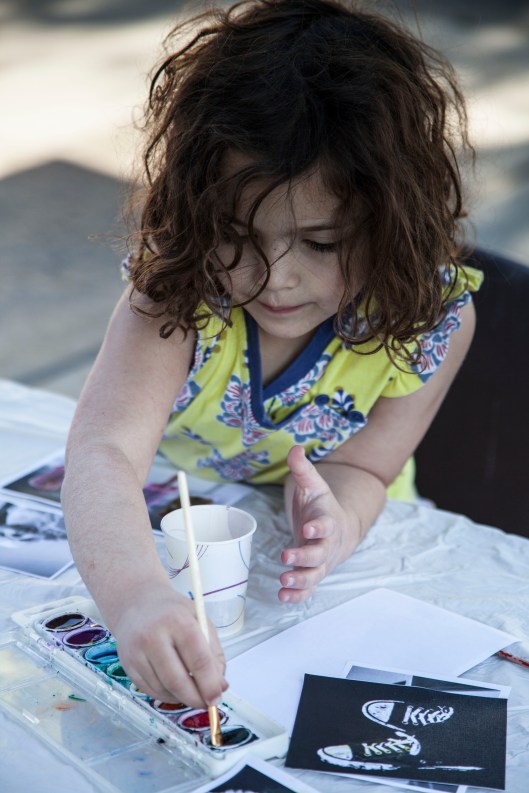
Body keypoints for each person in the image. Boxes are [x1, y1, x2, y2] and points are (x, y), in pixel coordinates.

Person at [61, 0, 482, 712]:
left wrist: (338, 516)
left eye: (321, 243)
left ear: (394, 220)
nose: (274, 276)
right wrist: (135, 598)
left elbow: (365, 466)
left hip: (346, 562)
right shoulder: (179, 293)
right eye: (235, 233)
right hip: (187, 535)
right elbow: (102, 453)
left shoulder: (430, 320)